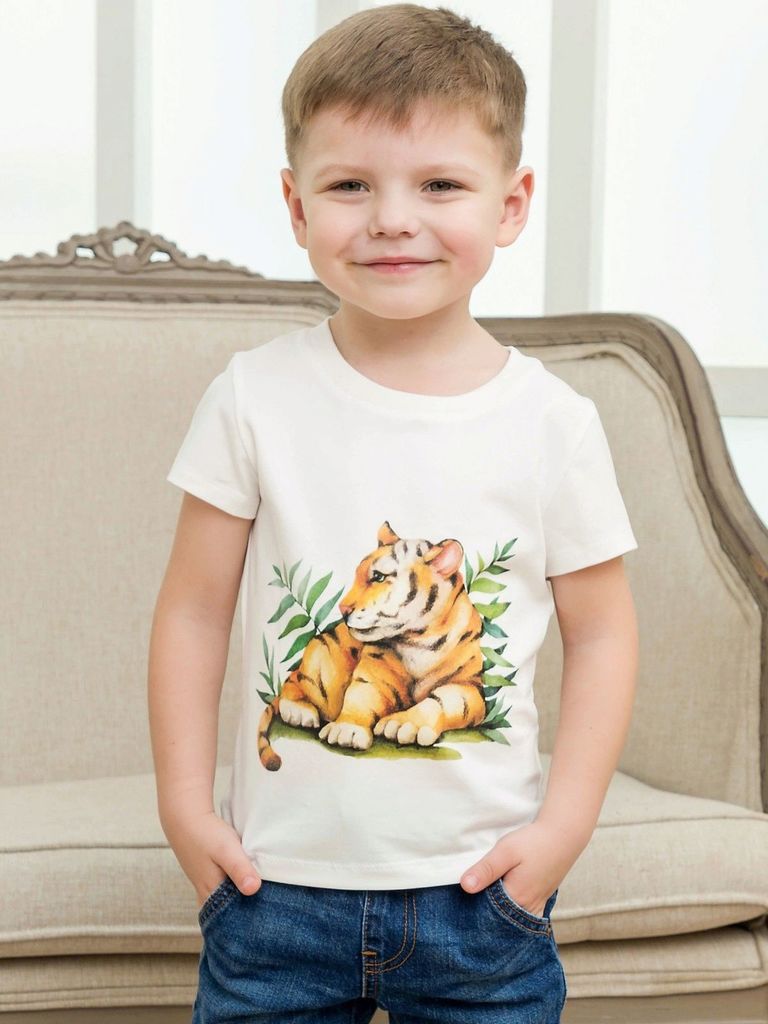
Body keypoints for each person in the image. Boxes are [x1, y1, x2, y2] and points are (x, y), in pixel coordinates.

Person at [148, 4, 639, 1022]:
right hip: (272, 890)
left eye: (440, 185)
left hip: (481, 896)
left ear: (512, 204)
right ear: (296, 206)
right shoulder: (252, 396)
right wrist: (186, 809)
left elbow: (604, 635)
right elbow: (192, 612)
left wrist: (562, 832)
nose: (392, 219)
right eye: (350, 186)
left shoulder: (555, 421)